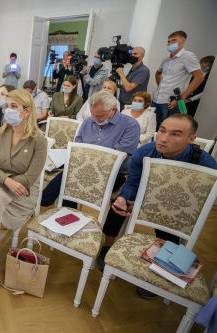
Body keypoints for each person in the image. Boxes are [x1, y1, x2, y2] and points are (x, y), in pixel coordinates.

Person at [96, 114, 217, 298]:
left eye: (175, 134)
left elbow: (201, 202)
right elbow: (133, 182)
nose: (164, 138)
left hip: (176, 206)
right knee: (116, 208)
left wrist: (160, 208)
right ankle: (107, 246)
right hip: (143, 193)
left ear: (191, 139)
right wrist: (124, 199)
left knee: (169, 227)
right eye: (162, 131)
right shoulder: (144, 151)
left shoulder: (205, 164)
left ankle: (162, 270)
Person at [0, 89, 47, 299]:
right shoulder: (0, 133)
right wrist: (6, 180)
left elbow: (31, 177)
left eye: (14, 107)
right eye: (6, 106)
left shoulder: (38, 140)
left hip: (21, 194)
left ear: (27, 111)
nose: (8, 111)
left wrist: (9, 182)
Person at [41, 91, 140, 207]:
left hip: (113, 173)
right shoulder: (89, 121)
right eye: (93, 114)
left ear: (113, 110)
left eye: (99, 116)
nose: (95, 119)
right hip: (83, 167)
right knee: (69, 176)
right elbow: (78, 146)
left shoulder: (130, 125)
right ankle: (65, 213)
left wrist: (85, 162)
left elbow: (118, 158)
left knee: (68, 177)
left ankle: (44, 202)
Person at [152, 31, 204, 128]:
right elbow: (158, 73)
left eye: (174, 40)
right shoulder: (166, 59)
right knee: (153, 127)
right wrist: (161, 87)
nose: (170, 43)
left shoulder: (188, 56)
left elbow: (199, 77)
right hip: (156, 99)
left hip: (171, 102)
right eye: (168, 41)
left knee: (168, 129)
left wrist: (181, 98)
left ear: (183, 40)